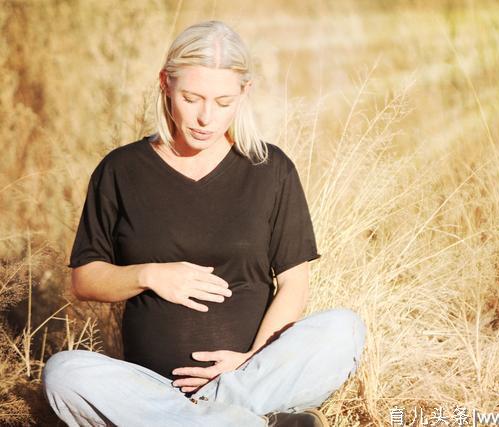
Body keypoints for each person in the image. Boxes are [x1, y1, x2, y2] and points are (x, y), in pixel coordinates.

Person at [42, 20, 366, 427]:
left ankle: (215, 413)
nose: (206, 117)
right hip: (153, 388)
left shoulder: (271, 169)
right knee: (63, 374)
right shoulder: (121, 170)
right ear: (165, 84)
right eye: (191, 98)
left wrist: (249, 362)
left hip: (250, 376)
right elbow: (85, 280)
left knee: (344, 330)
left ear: (244, 93)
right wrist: (150, 274)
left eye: (223, 101)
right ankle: (247, 421)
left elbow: (294, 285)